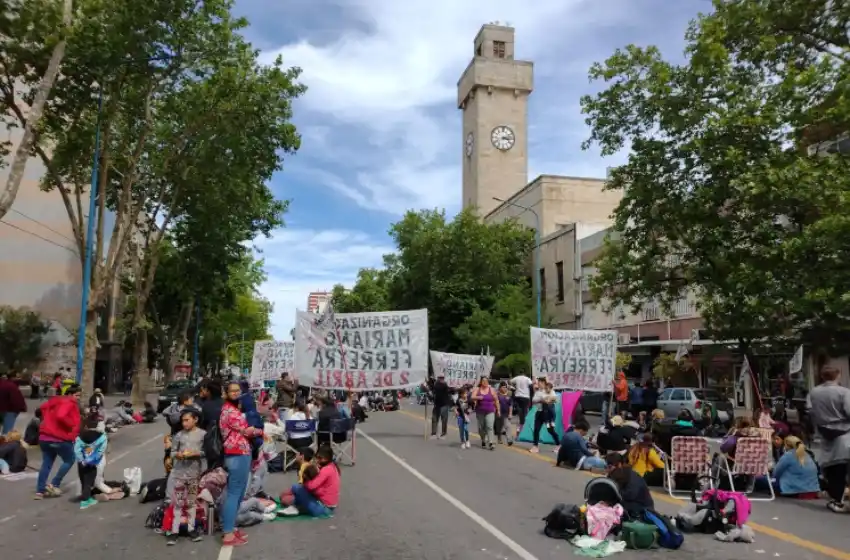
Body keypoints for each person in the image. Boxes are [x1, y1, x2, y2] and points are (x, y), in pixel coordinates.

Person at [219, 382, 263, 547]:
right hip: (237, 454)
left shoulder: (232, 409)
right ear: (226, 393)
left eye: (238, 390)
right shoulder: (230, 411)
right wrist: (260, 431)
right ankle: (228, 533)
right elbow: (247, 430)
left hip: (240, 453)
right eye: (232, 391)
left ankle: (231, 528)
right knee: (234, 493)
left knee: (237, 494)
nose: (236, 393)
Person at [806, 366, 850, 513]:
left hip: (824, 434)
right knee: (844, 467)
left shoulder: (814, 392)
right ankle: (840, 500)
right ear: (838, 375)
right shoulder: (844, 392)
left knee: (832, 469)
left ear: (822, 376)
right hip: (844, 434)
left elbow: (810, 411)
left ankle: (836, 499)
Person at [167, 409, 206, 544]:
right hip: (179, 475)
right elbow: (172, 452)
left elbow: (205, 452)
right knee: (178, 503)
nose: (184, 423)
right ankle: (174, 531)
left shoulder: (202, 435)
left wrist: (196, 453)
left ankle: (191, 529)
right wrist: (177, 455)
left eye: (187, 420)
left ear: (195, 420)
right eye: (183, 421)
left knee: (191, 502)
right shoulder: (178, 435)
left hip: (194, 475)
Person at [36, 385, 81, 499]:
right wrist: (71, 424)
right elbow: (61, 416)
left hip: (45, 437)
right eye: (77, 395)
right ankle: (55, 483)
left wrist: (48, 422)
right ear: (69, 394)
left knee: (46, 463)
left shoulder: (54, 401)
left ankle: (40, 490)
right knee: (70, 460)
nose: (78, 398)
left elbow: (42, 408)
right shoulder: (69, 402)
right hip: (60, 437)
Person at [280, 445, 339, 517]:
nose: (317, 460)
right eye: (317, 457)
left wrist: (305, 481)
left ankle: (295, 506)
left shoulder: (326, 470)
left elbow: (311, 487)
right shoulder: (333, 467)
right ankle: (296, 506)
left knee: (295, 488)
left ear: (327, 459)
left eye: (320, 458)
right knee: (290, 496)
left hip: (323, 508)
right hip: (327, 505)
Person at [606, 452, 655, 518]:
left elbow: (630, 495)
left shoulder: (631, 476)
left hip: (642, 507)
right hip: (630, 503)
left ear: (619, 465)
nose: (607, 470)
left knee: (612, 507)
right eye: (606, 467)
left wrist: (613, 494)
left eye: (609, 467)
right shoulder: (614, 474)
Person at [74, 417, 108, 509]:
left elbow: (77, 450)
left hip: (82, 463)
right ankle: (86, 501)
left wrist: (82, 460)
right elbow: (101, 450)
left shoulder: (80, 437)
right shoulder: (102, 437)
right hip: (92, 462)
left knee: (83, 480)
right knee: (89, 482)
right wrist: (94, 458)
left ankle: (85, 496)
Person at [530, 380, 559, 454]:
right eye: (538, 383)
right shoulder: (537, 392)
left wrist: (545, 400)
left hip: (548, 414)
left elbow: (553, 399)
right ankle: (535, 446)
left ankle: (558, 444)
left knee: (550, 430)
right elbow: (533, 400)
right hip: (539, 412)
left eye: (540, 383)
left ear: (544, 383)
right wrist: (542, 400)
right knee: (536, 429)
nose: (539, 384)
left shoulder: (550, 390)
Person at [471, 377, 499, 450]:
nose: (485, 382)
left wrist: (498, 410)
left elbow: (496, 400)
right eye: (483, 381)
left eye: (486, 381)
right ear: (481, 382)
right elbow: (472, 397)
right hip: (480, 412)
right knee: (481, 428)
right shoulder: (477, 389)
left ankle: (491, 443)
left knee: (490, 426)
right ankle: (483, 440)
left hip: (490, 411)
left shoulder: (491, 390)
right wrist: (478, 397)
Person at [430, 373, 451, 439]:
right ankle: (433, 433)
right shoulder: (436, 384)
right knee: (434, 419)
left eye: (442, 378)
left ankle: (443, 433)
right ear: (438, 378)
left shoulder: (445, 385)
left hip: (444, 404)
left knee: (444, 420)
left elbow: (448, 390)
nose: (441, 379)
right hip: (437, 404)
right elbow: (433, 390)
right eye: (440, 378)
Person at [495, 381, 514, 446]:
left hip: (506, 414)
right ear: (500, 388)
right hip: (498, 413)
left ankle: (509, 440)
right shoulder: (497, 394)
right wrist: (497, 411)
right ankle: (499, 438)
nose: (504, 388)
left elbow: (510, 405)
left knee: (508, 426)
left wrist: (510, 414)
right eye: (503, 387)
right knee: (499, 427)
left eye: (505, 387)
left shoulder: (509, 395)